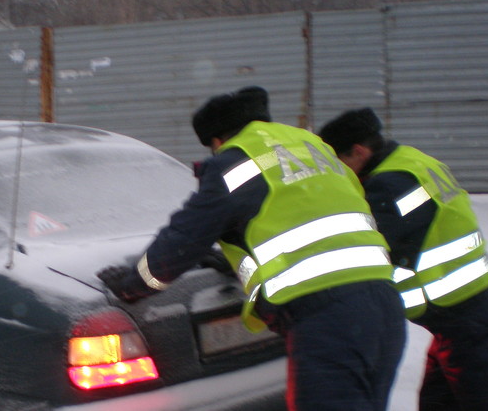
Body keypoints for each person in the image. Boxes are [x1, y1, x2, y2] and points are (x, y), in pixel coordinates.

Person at [97, 87, 406, 411]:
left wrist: (132, 284)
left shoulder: (235, 161)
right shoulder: (313, 147)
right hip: (383, 304)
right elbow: (314, 214)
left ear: (217, 141)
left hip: (327, 316)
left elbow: (184, 237)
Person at [319, 107, 488, 411]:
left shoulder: (391, 184)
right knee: (439, 402)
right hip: (467, 312)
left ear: (359, 151)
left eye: (340, 162)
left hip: (464, 317)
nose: (340, 172)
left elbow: (369, 246)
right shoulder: (412, 161)